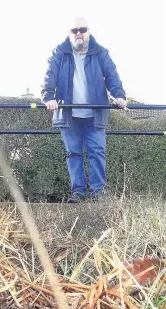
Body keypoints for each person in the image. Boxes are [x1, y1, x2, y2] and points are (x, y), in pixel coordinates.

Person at [41, 16, 127, 203]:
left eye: (82, 29)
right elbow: (50, 76)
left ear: (88, 31)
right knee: (74, 153)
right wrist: (48, 97)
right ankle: (78, 193)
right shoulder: (59, 52)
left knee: (97, 152)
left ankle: (98, 194)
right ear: (69, 33)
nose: (78, 33)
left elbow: (112, 76)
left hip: (94, 114)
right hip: (68, 114)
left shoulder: (101, 53)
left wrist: (119, 95)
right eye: (74, 30)